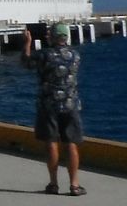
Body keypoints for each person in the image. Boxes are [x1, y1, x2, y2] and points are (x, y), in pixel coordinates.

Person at [24, 25, 86, 196]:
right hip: (70, 105)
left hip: (48, 105)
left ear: (54, 36)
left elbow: (26, 62)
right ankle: (74, 184)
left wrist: (28, 43)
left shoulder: (45, 55)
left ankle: (53, 183)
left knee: (51, 143)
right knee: (71, 144)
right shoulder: (75, 55)